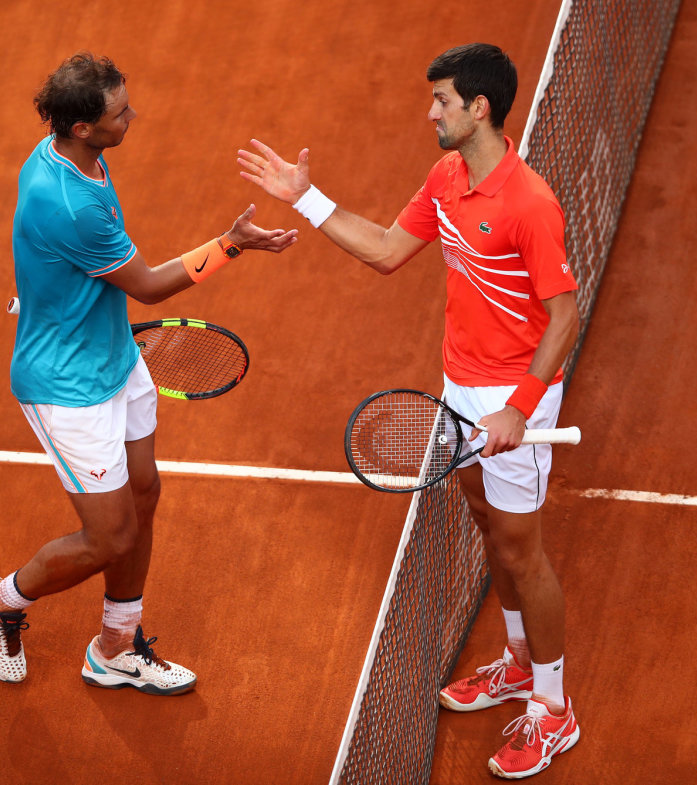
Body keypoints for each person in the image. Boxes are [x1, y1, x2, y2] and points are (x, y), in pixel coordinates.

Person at [238, 43, 580, 778]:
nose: (430, 112)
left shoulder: (529, 203)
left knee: (524, 551)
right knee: (488, 523)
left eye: (442, 101)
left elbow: (564, 317)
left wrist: (518, 408)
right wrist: (307, 196)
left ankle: (553, 707)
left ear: (478, 107)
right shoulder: (447, 176)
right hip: (460, 386)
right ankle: (518, 664)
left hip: (513, 395)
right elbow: (389, 249)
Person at [0, 52, 297, 694]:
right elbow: (146, 287)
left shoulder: (79, 155)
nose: (132, 117)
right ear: (81, 126)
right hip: (67, 388)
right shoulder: (68, 201)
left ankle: (115, 645)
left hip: (116, 357)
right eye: (119, 113)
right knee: (109, 538)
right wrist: (232, 245)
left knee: (143, 496)